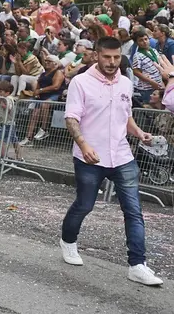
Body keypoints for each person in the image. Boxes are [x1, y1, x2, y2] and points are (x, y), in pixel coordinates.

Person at [59, 36, 163, 286]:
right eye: (107, 57)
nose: (112, 62)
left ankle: (138, 264)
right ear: (96, 55)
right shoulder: (81, 83)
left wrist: (139, 134)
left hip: (122, 155)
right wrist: (83, 145)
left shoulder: (126, 84)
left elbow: (125, 116)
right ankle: (68, 241)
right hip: (90, 157)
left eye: (116, 57)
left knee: (134, 211)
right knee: (85, 205)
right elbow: (71, 117)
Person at [0, 79, 24, 161]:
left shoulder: (9, 99)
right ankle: (20, 157)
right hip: (5, 123)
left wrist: (0, 102)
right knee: (14, 140)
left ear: (7, 92)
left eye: (1, 91)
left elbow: (8, 108)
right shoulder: (2, 98)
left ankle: (3, 157)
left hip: (8, 123)